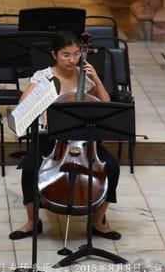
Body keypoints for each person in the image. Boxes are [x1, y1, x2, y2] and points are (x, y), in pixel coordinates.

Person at [8, 30, 122, 240]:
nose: (72, 59)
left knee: (112, 167)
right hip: (50, 136)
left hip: (84, 138)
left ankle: (97, 222)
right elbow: (23, 103)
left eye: (77, 54)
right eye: (66, 55)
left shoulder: (85, 77)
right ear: (54, 54)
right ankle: (33, 222)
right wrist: (43, 96)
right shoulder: (44, 76)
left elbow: (104, 103)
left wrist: (96, 78)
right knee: (30, 166)